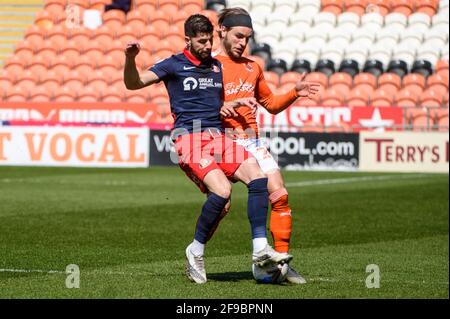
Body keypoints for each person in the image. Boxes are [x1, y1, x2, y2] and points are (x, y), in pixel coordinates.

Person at [123, 14, 292, 284]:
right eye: (201, 41)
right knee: (223, 192)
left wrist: (233, 105)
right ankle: (196, 250)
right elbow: (133, 83)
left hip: (217, 136)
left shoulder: (216, 66)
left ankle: (260, 250)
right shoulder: (173, 64)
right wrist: (130, 59)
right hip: (188, 138)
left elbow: (216, 101)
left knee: (258, 176)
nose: (206, 46)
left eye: (209, 40)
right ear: (187, 40)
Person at [210, 7, 321, 284]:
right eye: (238, 36)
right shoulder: (209, 67)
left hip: (252, 141)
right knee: (221, 205)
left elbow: (270, 105)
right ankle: (196, 252)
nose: (242, 42)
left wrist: (295, 92)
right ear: (222, 31)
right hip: (221, 141)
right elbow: (200, 109)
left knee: (280, 195)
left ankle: (278, 266)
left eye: (247, 38)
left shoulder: (253, 67)